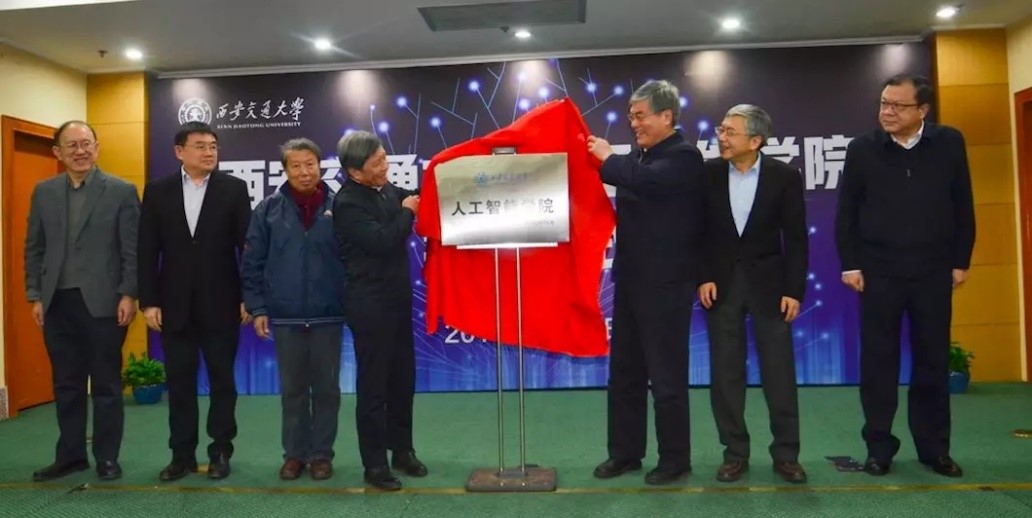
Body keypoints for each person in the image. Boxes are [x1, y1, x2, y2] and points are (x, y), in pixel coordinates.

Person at [834, 73, 975, 478]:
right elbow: (847, 211)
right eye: (884, 103)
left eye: (898, 105)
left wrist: (960, 259)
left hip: (933, 270)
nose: (888, 111)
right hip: (879, 271)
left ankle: (934, 449)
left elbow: (962, 203)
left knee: (932, 360)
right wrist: (851, 263)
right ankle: (879, 448)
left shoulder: (949, 143)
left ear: (923, 110)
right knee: (878, 363)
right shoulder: (863, 149)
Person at [586, 79, 705, 485]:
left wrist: (607, 157)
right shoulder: (640, 157)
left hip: (666, 286)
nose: (633, 124)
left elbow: (646, 180)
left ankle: (675, 460)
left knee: (666, 378)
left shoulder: (684, 156)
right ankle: (625, 453)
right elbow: (633, 175)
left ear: (666, 116)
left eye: (640, 116)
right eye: (631, 117)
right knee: (625, 374)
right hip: (631, 282)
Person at [697, 105, 808, 484]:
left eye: (730, 132)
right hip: (722, 285)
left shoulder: (784, 176)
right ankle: (735, 453)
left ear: (756, 140)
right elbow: (698, 232)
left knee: (779, 373)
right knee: (726, 374)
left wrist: (794, 290)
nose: (722, 138)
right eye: (721, 130)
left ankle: (787, 454)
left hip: (771, 287)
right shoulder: (708, 174)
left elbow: (796, 239)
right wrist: (703, 276)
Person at [24, 120, 140, 482]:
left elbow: (132, 249)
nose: (80, 151)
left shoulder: (121, 191)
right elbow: (34, 247)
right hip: (56, 303)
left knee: (106, 385)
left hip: (105, 303)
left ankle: (107, 457)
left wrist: (129, 293)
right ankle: (70, 456)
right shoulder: (44, 192)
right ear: (57, 152)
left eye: (86, 143)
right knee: (66, 385)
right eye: (71, 145)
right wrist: (34, 295)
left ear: (97, 147)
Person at [138, 121, 252, 481]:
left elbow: (247, 249)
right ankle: (181, 455)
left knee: (222, 383)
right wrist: (149, 302)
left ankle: (220, 451)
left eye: (213, 146)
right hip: (174, 306)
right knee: (180, 383)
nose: (209, 152)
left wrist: (249, 297)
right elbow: (146, 250)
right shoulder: (158, 191)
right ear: (179, 151)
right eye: (200, 146)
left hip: (222, 303)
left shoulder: (234, 189)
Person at [240, 138, 347, 481]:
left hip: (328, 314)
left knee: (327, 390)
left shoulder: (340, 206)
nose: (304, 172)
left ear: (320, 166)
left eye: (310, 164)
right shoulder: (267, 209)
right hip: (285, 315)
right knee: (293, 391)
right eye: (296, 166)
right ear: (284, 170)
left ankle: (321, 454)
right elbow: (252, 263)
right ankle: (295, 455)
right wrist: (258, 307)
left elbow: (353, 259)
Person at [333, 130, 427, 491]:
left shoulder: (384, 188)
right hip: (369, 306)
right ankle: (374, 465)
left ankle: (402, 450)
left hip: (397, 301)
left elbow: (411, 196)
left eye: (385, 158)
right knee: (374, 388)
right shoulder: (348, 203)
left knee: (402, 381)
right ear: (355, 172)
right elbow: (383, 241)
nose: (385, 166)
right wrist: (408, 212)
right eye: (377, 163)